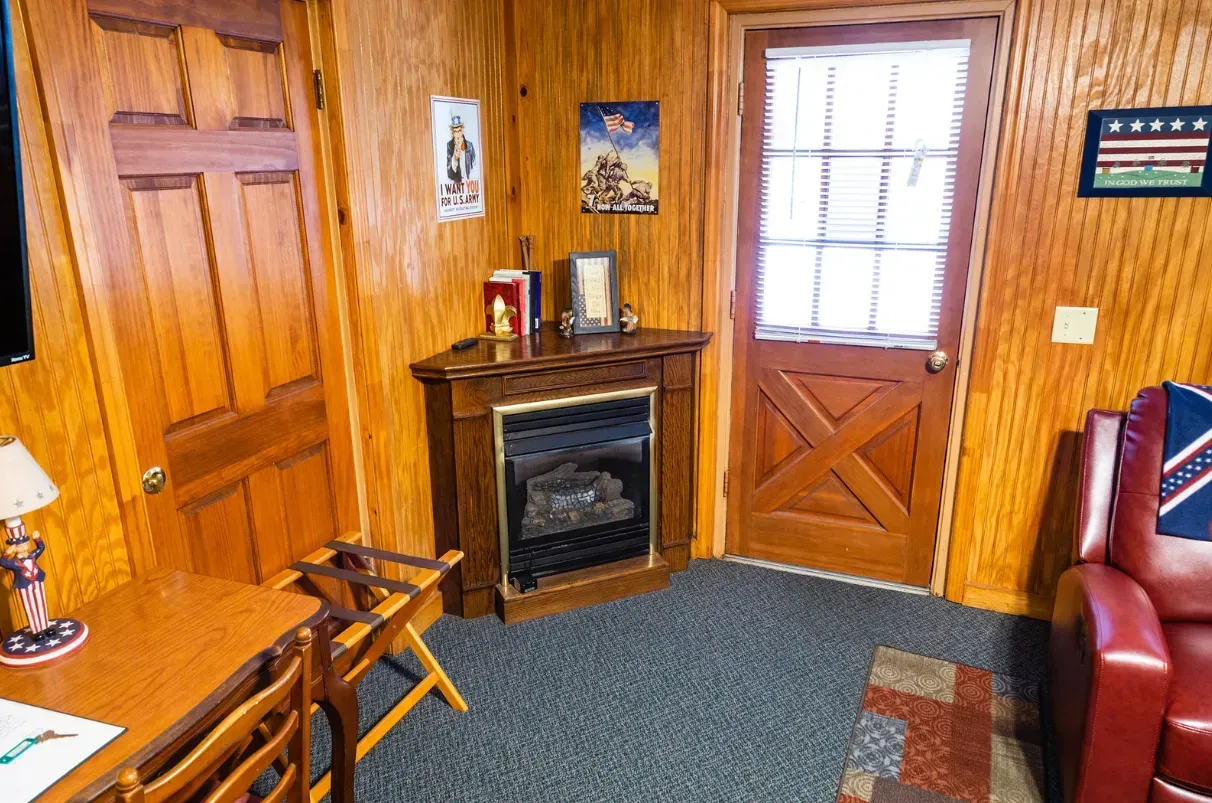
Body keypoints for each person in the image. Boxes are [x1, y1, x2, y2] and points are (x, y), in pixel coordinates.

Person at [447, 114, 476, 182]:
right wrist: (454, 159)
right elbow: (449, 174)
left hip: (469, 183)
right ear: (452, 133)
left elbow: (474, 165)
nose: (457, 134)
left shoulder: (469, 145)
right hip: (458, 186)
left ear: (462, 131)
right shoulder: (450, 146)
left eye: (459, 131)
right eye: (455, 132)